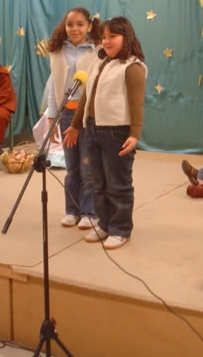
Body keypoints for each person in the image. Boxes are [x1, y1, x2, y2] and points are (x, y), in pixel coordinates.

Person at [64, 16, 146, 250]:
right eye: (104, 37)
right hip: (93, 129)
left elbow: (137, 103)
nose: (107, 41)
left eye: (113, 36)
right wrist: (76, 125)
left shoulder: (132, 67)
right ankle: (104, 223)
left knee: (118, 184)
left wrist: (135, 134)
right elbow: (86, 97)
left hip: (117, 133)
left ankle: (120, 229)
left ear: (126, 37)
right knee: (98, 183)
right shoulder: (98, 63)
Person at [47, 7, 101, 230]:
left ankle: (90, 211)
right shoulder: (58, 50)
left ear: (89, 26)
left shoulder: (98, 50)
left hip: (89, 114)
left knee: (88, 166)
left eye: (80, 24)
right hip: (66, 114)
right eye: (70, 24)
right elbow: (54, 85)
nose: (74, 29)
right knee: (72, 167)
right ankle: (72, 210)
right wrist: (52, 116)